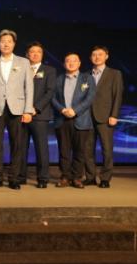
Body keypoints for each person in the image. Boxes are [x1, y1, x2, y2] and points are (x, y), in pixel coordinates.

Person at [0, 29, 34, 190]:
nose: (6, 44)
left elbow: (29, 87)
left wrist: (28, 110)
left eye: (9, 41)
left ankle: (14, 178)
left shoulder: (24, 62)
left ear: (14, 44)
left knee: (17, 145)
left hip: (17, 109)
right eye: (3, 41)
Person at [52, 53, 96, 188]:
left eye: (74, 61)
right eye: (68, 61)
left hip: (81, 119)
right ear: (64, 64)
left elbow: (90, 98)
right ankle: (65, 176)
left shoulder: (87, 78)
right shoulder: (58, 79)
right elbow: (52, 98)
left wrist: (75, 110)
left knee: (80, 151)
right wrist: (62, 110)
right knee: (64, 151)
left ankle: (77, 177)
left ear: (79, 63)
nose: (71, 63)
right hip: (62, 119)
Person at [18, 41, 56, 188]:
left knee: (41, 148)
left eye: (38, 52)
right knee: (21, 148)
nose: (35, 54)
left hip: (40, 115)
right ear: (27, 54)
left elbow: (50, 92)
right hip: (21, 114)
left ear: (42, 54)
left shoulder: (49, 70)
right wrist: (23, 109)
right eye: (32, 52)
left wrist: (35, 108)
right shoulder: (20, 69)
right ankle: (20, 176)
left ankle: (43, 178)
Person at [85, 45, 124, 188]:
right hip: (87, 117)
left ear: (106, 56)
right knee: (87, 149)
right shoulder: (86, 74)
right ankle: (90, 177)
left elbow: (117, 95)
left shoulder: (114, 74)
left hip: (106, 117)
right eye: (94, 55)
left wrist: (114, 115)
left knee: (107, 149)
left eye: (100, 54)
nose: (97, 57)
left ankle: (105, 178)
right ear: (91, 57)